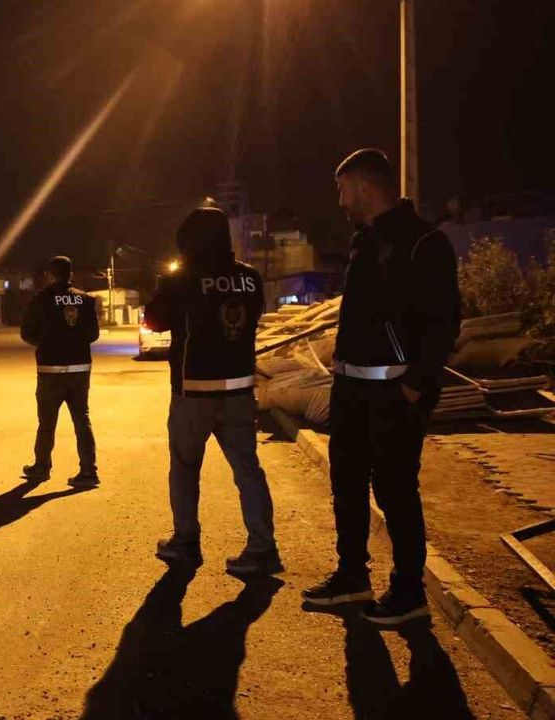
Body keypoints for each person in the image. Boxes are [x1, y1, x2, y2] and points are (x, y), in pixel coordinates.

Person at [302, 149, 461, 624]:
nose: (340, 201)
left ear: (363, 186)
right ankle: (352, 577)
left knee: (395, 491)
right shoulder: (364, 241)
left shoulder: (424, 241)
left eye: (342, 190)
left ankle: (409, 592)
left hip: (394, 394)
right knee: (347, 485)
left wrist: (416, 385)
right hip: (351, 389)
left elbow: (443, 322)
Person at [144, 207, 281, 576]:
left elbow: (153, 320)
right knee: (248, 469)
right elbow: (253, 318)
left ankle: (186, 542)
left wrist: (167, 285)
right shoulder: (250, 278)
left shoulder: (184, 278)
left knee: (185, 468)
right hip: (238, 390)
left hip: (194, 391)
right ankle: (263, 548)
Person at [20, 255, 101, 487]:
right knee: (82, 418)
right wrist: (74, 341)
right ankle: (89, 471)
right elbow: (93, 334)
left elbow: (27, 333)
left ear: (50, 275)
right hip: (79, 368)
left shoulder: (40, 299)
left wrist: (47, 342)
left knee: (47, 421)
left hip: (50, 369)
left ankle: (41, 467)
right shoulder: (85, 300)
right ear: (71, 274)